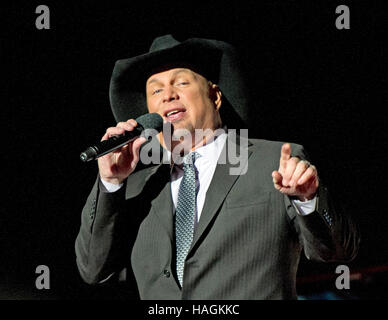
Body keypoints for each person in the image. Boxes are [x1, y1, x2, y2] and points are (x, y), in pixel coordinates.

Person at [75, 34, 359, 299]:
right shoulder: (137, 184)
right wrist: (110, 183)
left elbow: (337, 250)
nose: (168, 94)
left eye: (181, 83)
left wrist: (308, 199)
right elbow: (93, 269)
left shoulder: (272, 161)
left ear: (215, 95)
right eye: (156, 90)